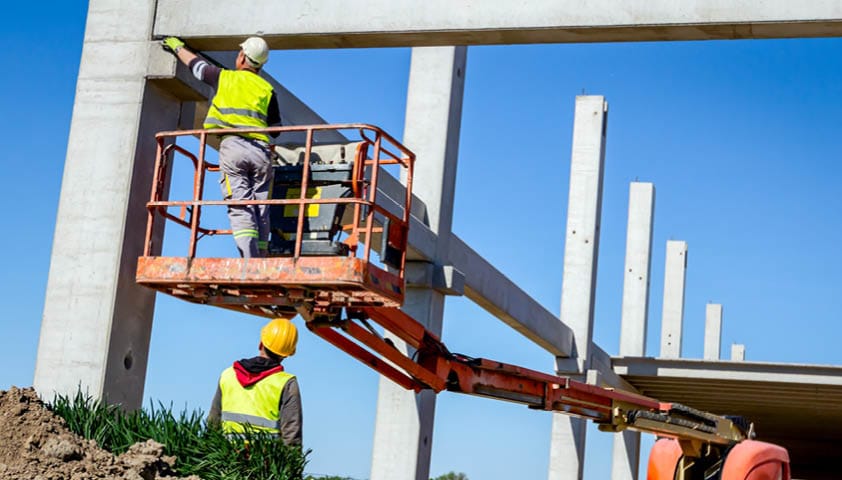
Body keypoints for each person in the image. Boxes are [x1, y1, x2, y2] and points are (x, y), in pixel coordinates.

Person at [162, 36, 281, 258]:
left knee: (240, 204)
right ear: (261, 64)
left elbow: (197, 67)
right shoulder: (267, 89)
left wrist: (177, 47)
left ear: (243, 57)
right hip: (261, 151)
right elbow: (276, 130)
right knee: (262, 207)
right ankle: (262, 259)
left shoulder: (224, 78)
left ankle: (249, 260)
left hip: (233, 147)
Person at [207, 318, 303, 446]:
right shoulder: (286, 384)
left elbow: (213, 423)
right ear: (286, 355)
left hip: (228, 460)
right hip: (265, 462)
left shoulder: (228, 375)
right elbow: (291, 435)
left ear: (261, 343)